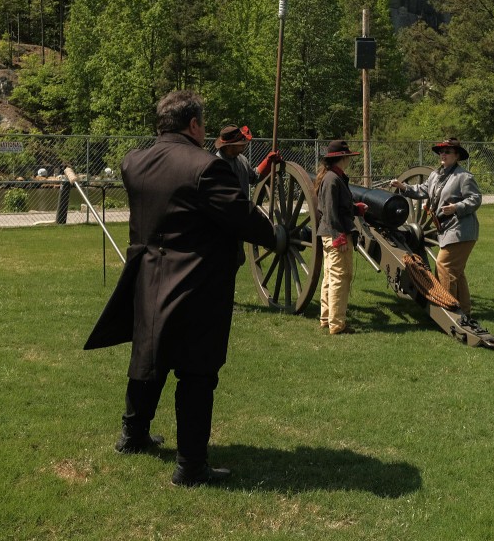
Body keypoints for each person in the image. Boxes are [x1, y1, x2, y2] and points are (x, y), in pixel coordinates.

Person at [84, 90, 277, 487]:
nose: (205, 132)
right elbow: (243, 219)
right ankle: (190, 467)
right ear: (193, 125)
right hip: (196, 284)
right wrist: (277, 235)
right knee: (197, 372)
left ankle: (132, 435)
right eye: (203, 125)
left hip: (147, 277)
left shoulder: (133, 162)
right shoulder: (206, 167)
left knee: (148, 359)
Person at [390, 137, 482, 313]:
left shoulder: (463, 177)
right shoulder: (436, 175)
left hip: (461, 229)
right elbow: (423, 190)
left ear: (456, 156)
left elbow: (476, 199)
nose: (443, 154)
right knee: (456, 271)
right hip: (446, 229)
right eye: (441, 151)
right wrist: (403, 187)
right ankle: (464, 310)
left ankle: (447, 310)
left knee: (444, 266)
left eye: (447, 152)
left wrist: (456, 207)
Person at [315, 139, 366, 334]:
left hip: (331, 233)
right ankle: (337, 324)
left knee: (330, 276)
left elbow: (339, 207)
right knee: (340, 277)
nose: (349, 161)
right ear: (342, 158)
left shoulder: (334, 177)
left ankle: (327, 318)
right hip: (335, 233)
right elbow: (329, 212)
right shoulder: (332, 179)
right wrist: (340, 237)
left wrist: (356, 209)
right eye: (348, 157)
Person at [213, 124, 280, 201]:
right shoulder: (216, 165)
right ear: (229, 146)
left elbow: (253, 177)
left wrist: (268, 162)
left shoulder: (242, 159)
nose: (244, 145)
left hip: (243, 209)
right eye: (240, 144)